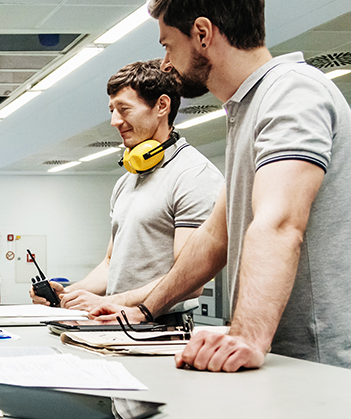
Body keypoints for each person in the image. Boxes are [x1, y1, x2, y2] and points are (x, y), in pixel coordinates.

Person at [95, 0, 351, 372]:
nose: (164, 64)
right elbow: (215, 237)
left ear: (202, 33)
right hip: (273, 355)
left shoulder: (290, 91)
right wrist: (145, 308)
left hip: (316, 359)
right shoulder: (246, 109)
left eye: (168, 45)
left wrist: (246, 334)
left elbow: (280, 222)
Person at [30, 60, 223, 320]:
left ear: (161, 106)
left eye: (124, 109)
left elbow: (190, 278)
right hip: (117, 318)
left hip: (163, 325)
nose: (114, 121)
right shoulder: (127, 181)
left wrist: (113, 300)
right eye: (112, 110)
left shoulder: (194, 175)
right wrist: (69, 295)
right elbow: (111, 264)